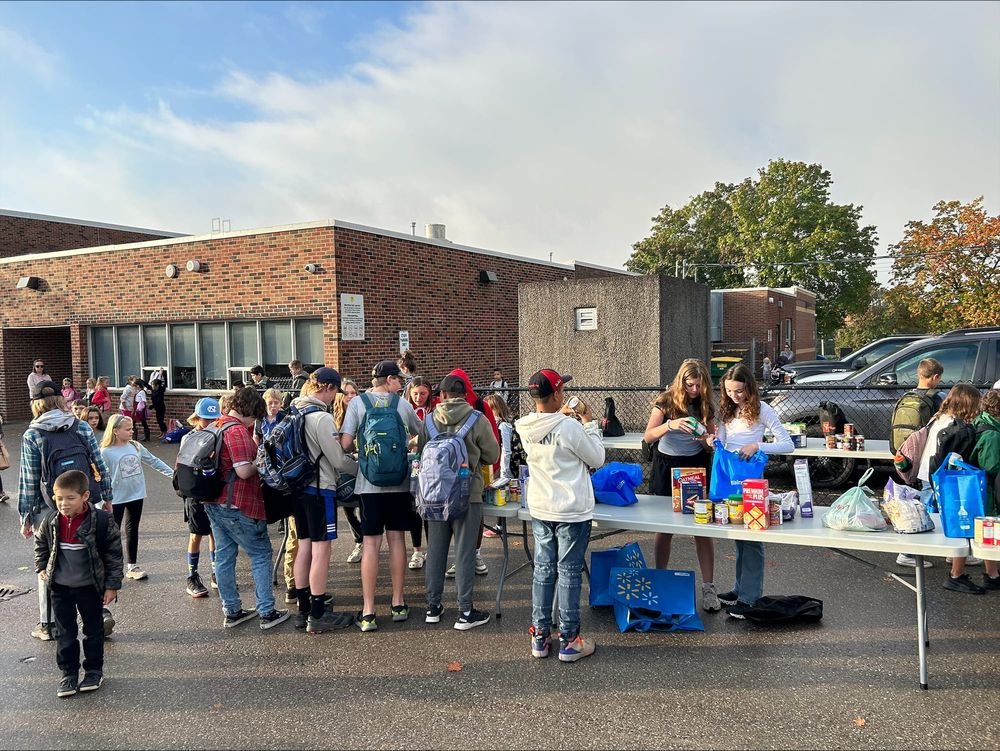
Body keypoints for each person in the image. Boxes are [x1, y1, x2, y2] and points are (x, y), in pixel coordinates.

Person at [515, 369, 605, 661]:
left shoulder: (524, 426)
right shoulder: (569, 427)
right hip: (571, 508)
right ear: (556, 394)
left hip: (541, 506)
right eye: (561, 390)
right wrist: (589, 423)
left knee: (543, 570)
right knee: (568, 573)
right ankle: (569, 639)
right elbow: (597, 458)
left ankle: (540, 637)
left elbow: (548, 425)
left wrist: (562, 415)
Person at [18, 379, 114, 641]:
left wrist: (26, 516)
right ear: (62, 400)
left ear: (35, 403)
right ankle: (100, 611)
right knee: (89, 555)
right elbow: (99, 464)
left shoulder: (33, 434)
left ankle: (49, 624)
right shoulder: (80, 425)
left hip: (51, 507)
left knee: (48, 561)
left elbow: (29, 480)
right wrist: (106, 496)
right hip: (85, 501)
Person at [340, 360, 423, 632]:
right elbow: (420, 434)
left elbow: (345, 442)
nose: (401, 384)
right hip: (398, 484)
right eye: (398, 380)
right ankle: (398, 603)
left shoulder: (357, 404)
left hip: (369, 485)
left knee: (371, 545)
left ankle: (368, 611)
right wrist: (406, 446)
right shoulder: (402, 405)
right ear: (388, 380)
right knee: (397, 539)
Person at [707, 363, 793, 619]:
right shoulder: (727, 409)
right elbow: (723, 439)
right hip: (730, 476)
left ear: (750, 388)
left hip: (751, 478)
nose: (736, 396)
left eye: (740, 391)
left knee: (752, 537)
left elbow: (786, 444)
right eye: (730, 391)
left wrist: (757, 445)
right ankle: (739, 589)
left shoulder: (763, 409)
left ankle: (750, 597)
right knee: (739, 534)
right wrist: (714, 441)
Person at [202, 387, 288, 629]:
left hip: (213, 501)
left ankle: (232, 610)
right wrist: (260, 461)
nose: (255, 422)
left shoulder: (216, 425)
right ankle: (267, 611)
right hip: (239, 503)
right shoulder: (237, 431)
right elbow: (243, 470)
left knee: (224, 556)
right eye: (255, 416)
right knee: (260, 553)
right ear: (251, 411)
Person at [420, 374, 500, 630]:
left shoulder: (430, 420)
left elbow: (421, 451)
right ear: (465, 395)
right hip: (468, 493)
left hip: (434, 495)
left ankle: (433, 607)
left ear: (441, 395)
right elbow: (492, 454)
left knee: (435, 551)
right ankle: (465, 612)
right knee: (464, 552)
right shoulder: (478, 419)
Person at [34, 470, 123, 698]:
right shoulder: (52, 521)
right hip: (60, 588)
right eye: (59, 498)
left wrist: (112, 585)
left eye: (70, 498)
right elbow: (41, 545)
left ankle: (93, 670)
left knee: (93, 630)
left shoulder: (102, 521)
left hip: (89, 588)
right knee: (65, 633)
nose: (63, 504)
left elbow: (114, 555)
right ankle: (69, 673)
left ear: (85, 496)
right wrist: (42, 567)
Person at [642, 358, 720, 612]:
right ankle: (660, 579)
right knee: (664, 527)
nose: (694, 390)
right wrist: (669, 425)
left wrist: (706, 438)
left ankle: (709, 587)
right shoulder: (666, 400)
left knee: (701, 527)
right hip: (667, 467)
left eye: (698, 385)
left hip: (695, 465)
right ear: (681, 382)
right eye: (689, 385)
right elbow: (648, 435)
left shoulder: (705, 402)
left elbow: (708, 440)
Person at [289, 368, 359, 633]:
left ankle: (304, 608)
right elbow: (338, 459)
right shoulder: (321, 418)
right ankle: (318, 614)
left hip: (297, 487)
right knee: (322, 550)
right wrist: (360, 469)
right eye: (336, 391)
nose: (336, 397)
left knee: (303, 546)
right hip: (320, 488)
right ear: (329, 388)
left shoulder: (294, 410)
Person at [913, 384, 983, 594]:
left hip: (929, 472)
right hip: (946, 479)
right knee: (954, 518)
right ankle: (954, 572)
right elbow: (958, 459)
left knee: (933, 515)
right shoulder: (959, 428)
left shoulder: (940, 416)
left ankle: (952, 558)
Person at [438, 369, 501, 577]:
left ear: (444, 393)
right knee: (474, 516)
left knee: (446, 525)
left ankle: (434, 603)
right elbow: (493, 448)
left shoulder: (434, 415)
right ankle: (466, 604)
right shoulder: (480, 410)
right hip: (472, 477)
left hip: (439, 483)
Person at [100, 414, 174, 582]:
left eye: (132, 428)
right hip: (115, 498)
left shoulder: (136, 446)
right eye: (128, 429)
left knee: (132, 530)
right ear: (116, 431)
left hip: (136, 494)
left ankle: (132, 566)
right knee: (113, 533)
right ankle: (110, 568)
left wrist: (174, 475)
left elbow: (154, 461)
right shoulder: (105, 452)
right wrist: (102, 499)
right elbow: (100, 477)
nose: (132, 431)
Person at [893, 358, 944, 568]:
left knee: (919, 501)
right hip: (928, 457)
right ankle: (909, 552)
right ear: (934, 377)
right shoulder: (936, 399)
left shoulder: (906, 397)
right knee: (927, 501)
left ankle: (914, 549)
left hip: (907, 455)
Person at [180, 399, 220, 598]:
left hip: (213, 493)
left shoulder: (217, 436)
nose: (210, 423)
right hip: (195, 494)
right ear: (196, 418)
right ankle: (192, 575)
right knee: (196, 535)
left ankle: (216, 572)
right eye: (206, 419)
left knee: (214, 534)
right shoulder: (189, 437)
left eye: (214, 419)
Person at [404, 377, 436, 569]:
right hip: (412, 464)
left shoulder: (434, 411)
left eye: (423, 393)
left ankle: (433, 550)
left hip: (431, 464)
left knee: (429, 508)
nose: (418, 397)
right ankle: (417, 550)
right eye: (415, 393)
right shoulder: (406, 410)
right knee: (413, 509)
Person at [971, 389, 1000, 590]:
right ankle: (992, 574)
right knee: (990, 528)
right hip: (988, 489)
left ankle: (993, 571)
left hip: (980, 487)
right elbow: (991, 466)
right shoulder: (992, 434)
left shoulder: (981, 421)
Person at [333, 379, 364, 564]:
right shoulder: (334, 417)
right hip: (342, 466)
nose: (351, 397)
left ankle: (365, 541)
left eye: (354, 393)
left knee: (362, 505)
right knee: (348, 506)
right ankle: (359, 540)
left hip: (360, 464)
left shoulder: (362, 412)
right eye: (347, 393)